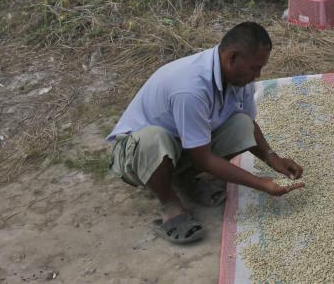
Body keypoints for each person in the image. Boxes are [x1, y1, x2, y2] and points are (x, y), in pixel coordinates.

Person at [107, 21, 305, 245]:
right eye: (254, 68)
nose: (257, 75)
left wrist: (273, 158)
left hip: (181, 146)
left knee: (240, 123)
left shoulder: (240, 80)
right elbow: (202, 157)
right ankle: (171, 205)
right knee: (154, 139)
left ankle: (185, 179)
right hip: (134, 153)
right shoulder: (190, 87)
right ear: (232, 58)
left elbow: (247, 123)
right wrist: (261, 183)